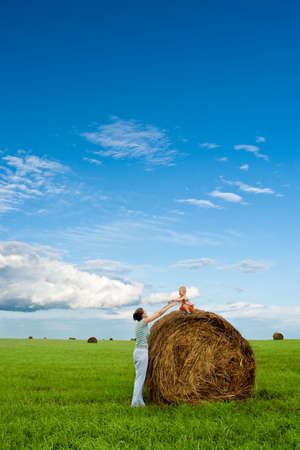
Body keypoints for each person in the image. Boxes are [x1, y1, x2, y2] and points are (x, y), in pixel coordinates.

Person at [131, 302, 175, 407]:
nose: (147, 312)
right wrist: (170, 306)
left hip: (138, 352)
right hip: (142, 353)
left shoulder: (138, 324)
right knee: (140, 379)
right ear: (142, 315)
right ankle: (134, 403)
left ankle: (140, 402)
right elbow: (158, 314)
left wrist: (167, 304)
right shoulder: (143, 322)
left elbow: (157, 312)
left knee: (139, 377)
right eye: (145, 311)